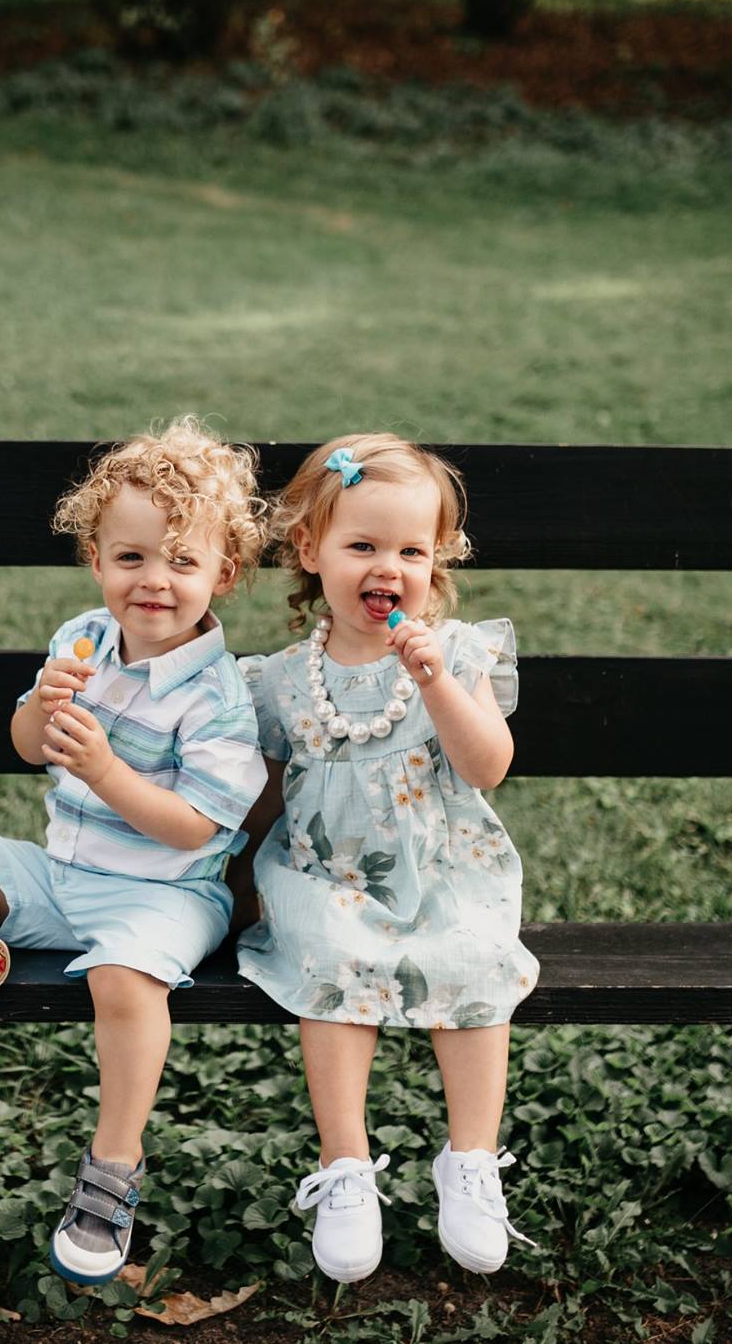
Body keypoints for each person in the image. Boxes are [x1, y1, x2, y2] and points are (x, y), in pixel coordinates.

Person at [0, 416, 270, 1287]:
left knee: (123, 981)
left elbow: (198, 827)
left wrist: (110, 770)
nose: (153, 581)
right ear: (96, 557)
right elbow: (22, 743)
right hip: (65, 873)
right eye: (131, 559)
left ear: (222, 574)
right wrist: (43, 704)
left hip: (167, 892)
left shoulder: (217, 695)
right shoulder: (81, 639)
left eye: (181, 563)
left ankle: (112, 1168)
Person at [232, 433, 541, 1285]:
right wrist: (236, 888)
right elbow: (262, 795)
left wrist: (439, 682)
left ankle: (470, 1160)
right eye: (362, 545)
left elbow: (489, 768)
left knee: (476, 957)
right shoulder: (283, 681)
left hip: (444, 870)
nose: (388, 567)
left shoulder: (460, 654)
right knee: (329, 964)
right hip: (322, 876)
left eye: (411, 549)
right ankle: (347, 1168)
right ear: (310, 550)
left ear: (435, 561)